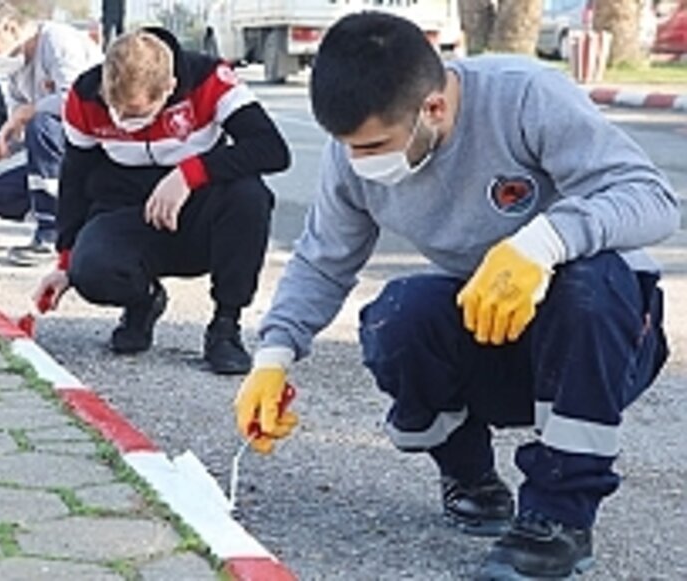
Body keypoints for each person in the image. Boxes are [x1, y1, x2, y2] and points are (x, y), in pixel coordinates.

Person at [232, 12, 678, 580]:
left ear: (434, 108)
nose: (361, 162)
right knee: (398, 319)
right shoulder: (354, 161)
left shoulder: (524, 99)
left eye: (374, 145)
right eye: (347, 147)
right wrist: (272, 357)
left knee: (589, 286)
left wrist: (544, 241)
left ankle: (558, 520)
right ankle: (470, 477)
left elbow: (651, 198)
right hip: (496, 328)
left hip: (603, 338)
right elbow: (322, 262)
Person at [32, 29, 290, 375]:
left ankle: (225, 326)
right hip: (125, 210)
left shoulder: (209, 79)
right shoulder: (84, 94)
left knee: (249, 197)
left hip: (199, 211)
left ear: (169, 87)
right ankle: (143, 300)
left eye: (137, 115)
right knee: (88, 269)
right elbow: (75, 178)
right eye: (117, 112)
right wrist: (65, 260)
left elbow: (272, 150)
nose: (126, 124)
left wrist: (190, 173)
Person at [0, 0, 101, 267]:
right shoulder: (15, 70)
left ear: (11, 28)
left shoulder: (57, 42)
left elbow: (78, 102)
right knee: (0, 195)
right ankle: (79, 218)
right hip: (64, 154)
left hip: (95, 146)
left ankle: (51, 234)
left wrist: (33, 109)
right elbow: (15, 132)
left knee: (42, 123)